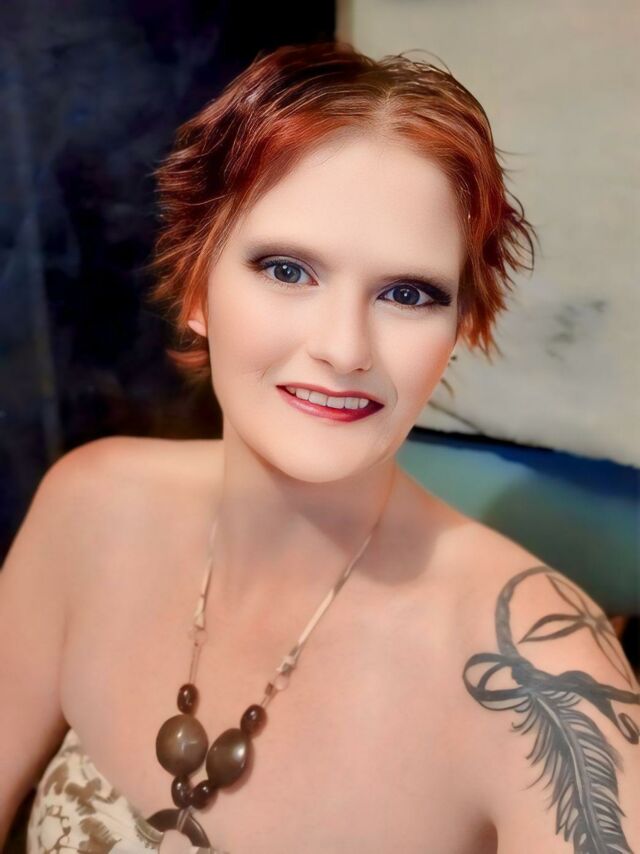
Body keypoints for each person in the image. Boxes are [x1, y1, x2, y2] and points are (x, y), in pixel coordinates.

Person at [1, 40, 638, 854]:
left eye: (407, 293)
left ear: (458, 330)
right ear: (197, 286)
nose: (344, 348)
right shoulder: (89, 509)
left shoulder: (541, 675)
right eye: (287, 270)